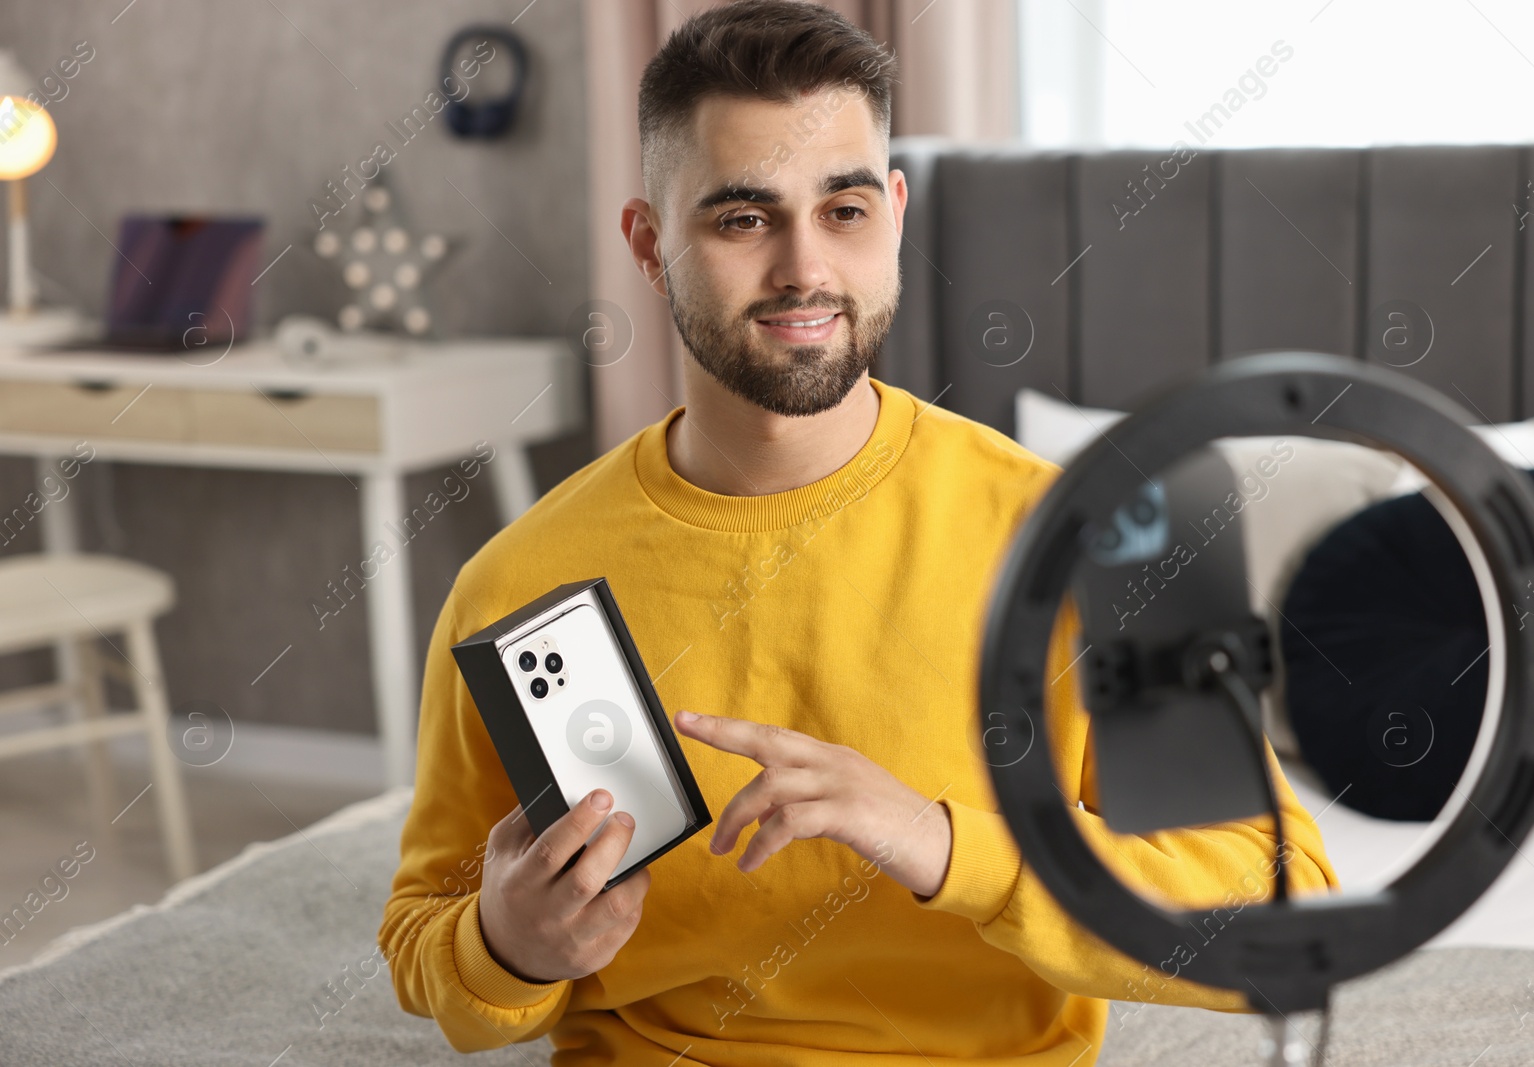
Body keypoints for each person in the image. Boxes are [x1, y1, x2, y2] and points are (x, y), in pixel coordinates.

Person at [379, 2, 1339, 1063]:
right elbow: (428, 934)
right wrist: (505, 942)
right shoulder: (518, 579)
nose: (803, 269)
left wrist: (942, 844)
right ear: (649, 246)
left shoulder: (1082, 540)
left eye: (841, 210)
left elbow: (1276, 913)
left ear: (892, 212)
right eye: (742, 219)